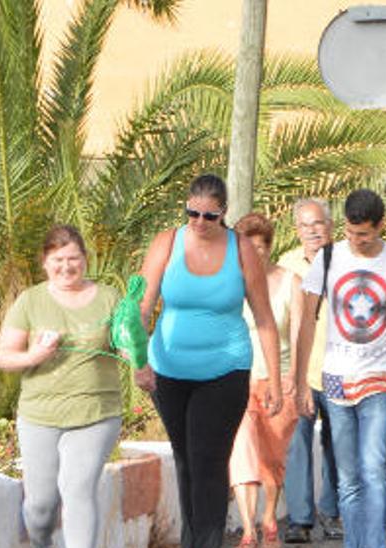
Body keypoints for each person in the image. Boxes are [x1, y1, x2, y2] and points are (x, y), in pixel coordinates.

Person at [136, 174, 284, 548]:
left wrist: (277, 383)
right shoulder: (166, 243)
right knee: (186, 461)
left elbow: (265, 319)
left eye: (209, 216)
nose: (200, 222)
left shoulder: (242, 250)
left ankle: (207, 541)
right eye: (193, 213)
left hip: (225, 370)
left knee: (208, 461)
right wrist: (139, 360)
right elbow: (141, 306)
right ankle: (194, 540)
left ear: (224, 214)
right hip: (169, 371)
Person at [295, 189, 386, 548]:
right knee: (348, 478)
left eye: (364, 234)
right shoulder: (329, 258)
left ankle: (374, 543)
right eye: (350, 232)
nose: (356, 241)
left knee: (373, 470)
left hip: (380, 379)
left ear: (381, 226)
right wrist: (302, 381)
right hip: (336, 380)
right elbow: (306, 321)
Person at [0, 225, 125, 548]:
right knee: (41, 507)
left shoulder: (109, 298)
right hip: (40, 415)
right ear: (45, 262)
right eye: (58, 259)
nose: (66, 266)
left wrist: (135, 349)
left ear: (85, 259)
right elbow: (3, 356)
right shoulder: (31, 301)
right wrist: (34, 355)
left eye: (73, 258)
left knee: (77, 487)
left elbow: (127, 345)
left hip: (96, 412)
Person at [229, 213, 302, 547]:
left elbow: (301, 335)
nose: (256, 254)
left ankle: (269, 514)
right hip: (238, 382)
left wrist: (293, 379)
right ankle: (247, 528)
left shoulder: (291, 281)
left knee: (271, 461)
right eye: (248, 248)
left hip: (278, 381)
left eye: (261, 247)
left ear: (270, 247)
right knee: (242, 450)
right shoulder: (230, 286)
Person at [278, 198, 343, 544]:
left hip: (339, 371)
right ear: (297, 231)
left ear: (331, 226)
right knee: (297, 443)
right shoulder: (287, 267)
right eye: (306, 225)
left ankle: (332, 513)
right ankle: (300, 519)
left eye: (319, 223)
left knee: (338, 444)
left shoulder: (346, 263)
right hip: (299, 372)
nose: (313, 230)